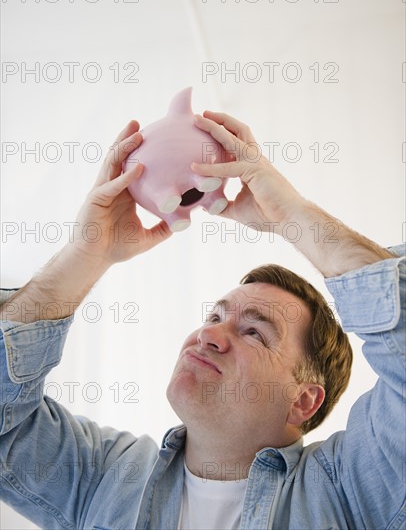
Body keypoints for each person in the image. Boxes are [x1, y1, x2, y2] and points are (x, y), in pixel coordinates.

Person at [0, 112, 404, 530]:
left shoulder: (349, 488)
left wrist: (292, 218)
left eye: (254, 331)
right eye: (215, 315)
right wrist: (86, 254)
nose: (209, 334)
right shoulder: (106, 477)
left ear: (304, 401)